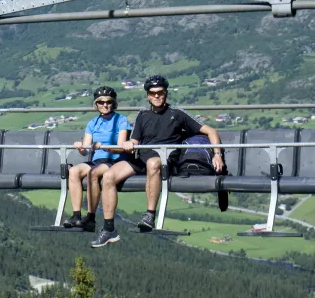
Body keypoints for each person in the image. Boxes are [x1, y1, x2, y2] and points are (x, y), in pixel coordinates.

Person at [92, 75, 225, 247]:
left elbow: (211, 131)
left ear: (166, 93)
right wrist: (126, 145)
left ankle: (149, 215)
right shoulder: (142, 115)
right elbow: (134, 141)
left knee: (153, 163)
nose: (156, 96)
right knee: (109, 176)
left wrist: (217, 154)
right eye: (153, 93)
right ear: (148, 95)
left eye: (160, 92)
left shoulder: (177, 114)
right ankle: (109, 229)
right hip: (142, 157)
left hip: (164, 159)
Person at [61, 86, 130, 232]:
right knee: (73, 171)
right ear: (96, 104)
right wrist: (81, 148)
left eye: (108, 102)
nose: (105, 105)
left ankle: (90, 217)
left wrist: (104, 147)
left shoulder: (121, 120)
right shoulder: (92, 123)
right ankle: (76, 215)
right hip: (97, 160)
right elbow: (86, 150)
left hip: (114, 160)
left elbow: (121, 147)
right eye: (101, 102)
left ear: (113, 103)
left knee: (94, 173)